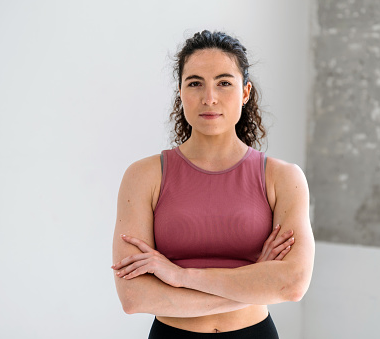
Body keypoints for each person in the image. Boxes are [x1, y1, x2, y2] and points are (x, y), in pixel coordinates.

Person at [111, 30, 315, 338]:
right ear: (180, 92)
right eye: (195, 83)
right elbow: (134, 297)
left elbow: (292, 284)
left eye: (224, 82)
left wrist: (181, 276)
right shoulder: (143, 176)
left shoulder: (283, 178)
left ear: (245, 92)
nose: (209, 97)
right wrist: (254, 280)